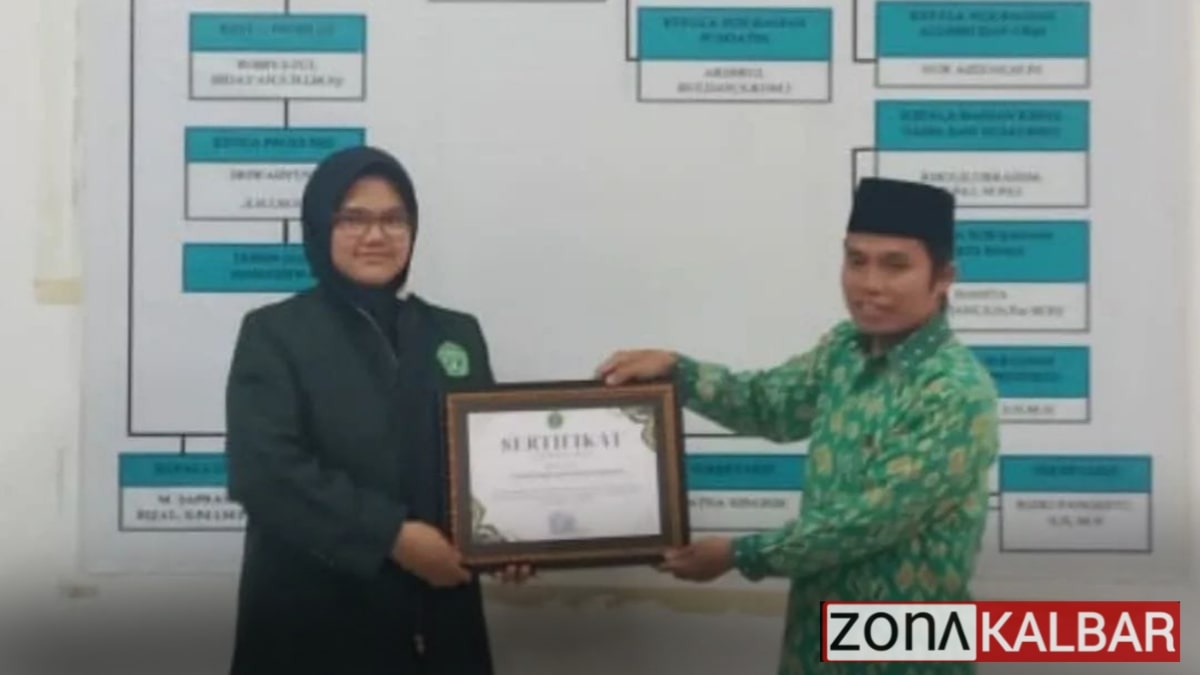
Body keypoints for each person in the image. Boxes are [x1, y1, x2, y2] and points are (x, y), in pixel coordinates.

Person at [596, 177, 1000, 675]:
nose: (870, 283)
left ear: (943, 278)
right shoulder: (845, 349)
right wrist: (680, 372)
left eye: (895, 265)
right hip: (817, 638)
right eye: (856, 261)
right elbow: (770, 404)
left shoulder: (954, 389)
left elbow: (865, 522)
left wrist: (739, 555)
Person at [224, 145, 530, 675]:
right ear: (320, 228)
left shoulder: (455, 334)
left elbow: (487, 464)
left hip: (440, 617)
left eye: (393, 219)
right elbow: (265, 473)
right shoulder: (275, 334)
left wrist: (510, 535)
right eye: (352, 219)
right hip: (313, 622)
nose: (375, 235)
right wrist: (391, 536)